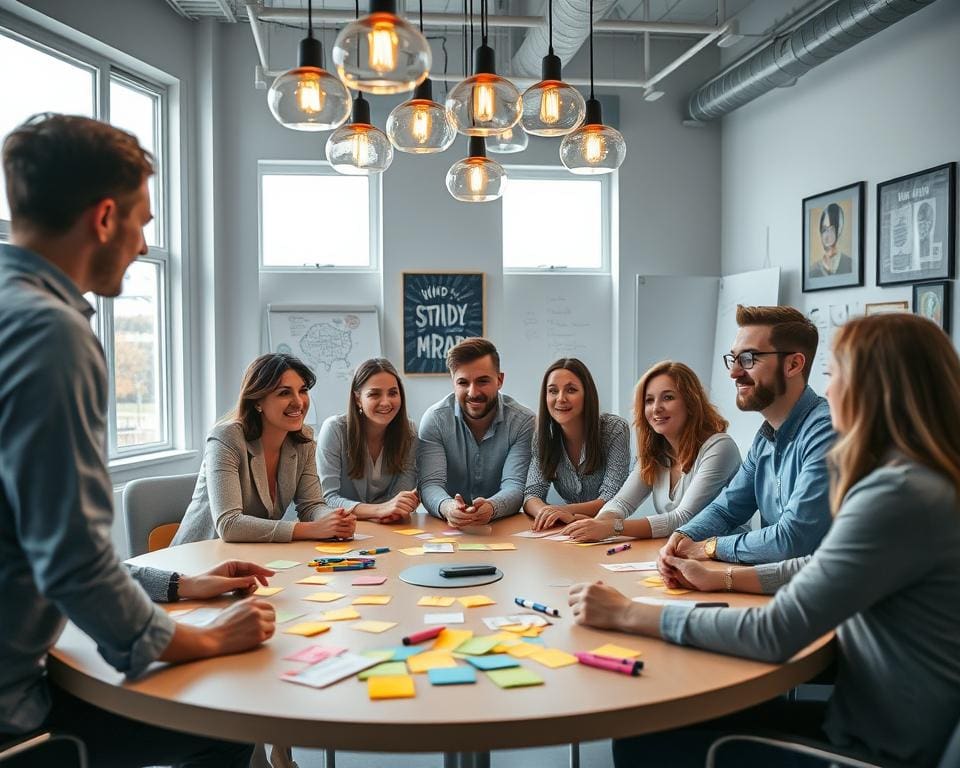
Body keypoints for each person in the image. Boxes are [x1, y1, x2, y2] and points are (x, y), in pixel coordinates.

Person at [0, 114, 273, 766]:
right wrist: (202, 640)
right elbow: (72, 562)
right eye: (143, 223)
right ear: (103, 219)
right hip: (14, 716)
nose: (144, 245)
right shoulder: (51, 333)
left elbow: (39, 540)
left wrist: (180, 586)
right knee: (228, 719)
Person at [570, 313, 960, 768]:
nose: (829, 390)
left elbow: (775, 632)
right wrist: (725, 579)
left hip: (874, 750)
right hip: (883, 720)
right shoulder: (923, 481)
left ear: (880, 389)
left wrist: (627, 612)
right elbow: (818, 565)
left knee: (640, 739)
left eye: (837, 376)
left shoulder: (894, 494)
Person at [657, 306, 834, 579]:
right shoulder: (765, 438)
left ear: (793, 365)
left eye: (749, 359)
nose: (734, 372)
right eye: (733, 359)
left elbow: (791, 540)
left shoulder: (825, 433)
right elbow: (726, 508)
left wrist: (709, 547)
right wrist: (682, 537)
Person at [173, 353, 356, 545]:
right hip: (197, 560)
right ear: (257, 401)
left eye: (302, 390)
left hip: (253, 556)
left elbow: (311, 506)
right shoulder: (226, 438)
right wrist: (311, 529)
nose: (299, 402)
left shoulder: (304, 441)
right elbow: (229, 524)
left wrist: (333, 520)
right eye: (284, 393)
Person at [562, 361, 740, 543]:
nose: (656, 408)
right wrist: (598, 524)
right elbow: (621, 503)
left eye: (668, 397)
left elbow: (683, 518)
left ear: (691, 403)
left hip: (724, 558)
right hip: (680, 553)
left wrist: (611, 528)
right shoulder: (657, 454)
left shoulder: (720, 447)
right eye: (649, 400)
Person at [418, 337, 534, 527]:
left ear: (499, 380)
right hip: (445, 527)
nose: (473, 392)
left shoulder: (524, 422)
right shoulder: (435, 420)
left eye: (482, 381)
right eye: (463, 382)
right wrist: (448, 508)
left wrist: (492, 507)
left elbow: (516, 485)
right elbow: (430, 484)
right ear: (453, 382)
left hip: (501, 527)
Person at [522, 359, 630, 531]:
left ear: (587, 394)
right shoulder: (544, 436)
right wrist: (546, 513)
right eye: (552, 391)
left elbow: (612, 498)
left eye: (571, 390)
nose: (561, 398)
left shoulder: (614, 429)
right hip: (570, 531)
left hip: (609, 529)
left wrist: (563, 511)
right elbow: (532, 494)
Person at [318, 358, 419, 523]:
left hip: (388, 529)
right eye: (374, 394)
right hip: (338, 529)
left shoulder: (410, 433)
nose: (386, 402)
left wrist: (387, 511)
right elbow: (327, 499)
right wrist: (378, 511)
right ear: (358, 398)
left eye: (393, 393)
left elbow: (399, 500)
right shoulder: (334, 430)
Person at [809, 203, 852, 278]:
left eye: (831, 229)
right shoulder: (813, 270)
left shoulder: (850, 264)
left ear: (839, 230)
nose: (826, 236)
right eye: (824, 230)